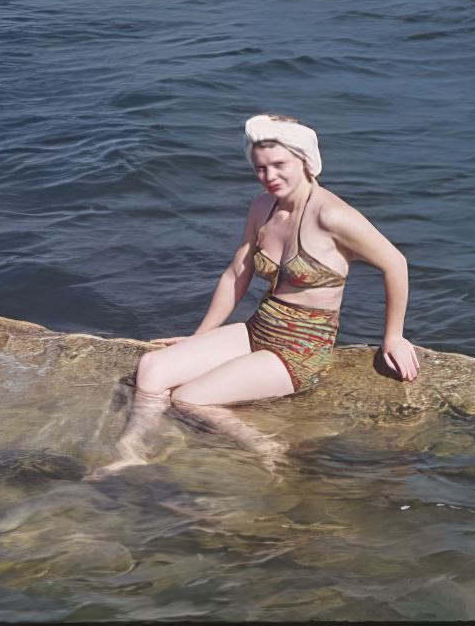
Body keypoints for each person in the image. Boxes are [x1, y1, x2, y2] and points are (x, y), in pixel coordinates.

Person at [93, 113, 417, 475]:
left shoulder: (333, 216)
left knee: (189, 399)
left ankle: (265, 444)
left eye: (279, 165)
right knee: (153, 368)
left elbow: (395, 263)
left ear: (306, 161)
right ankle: (133, 448)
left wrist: (394, 337)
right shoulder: (264, 207)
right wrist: (199, 339)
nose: (269, 176)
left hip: (300, 349)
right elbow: (238, 272)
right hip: (258, 328)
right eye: (260, 168)